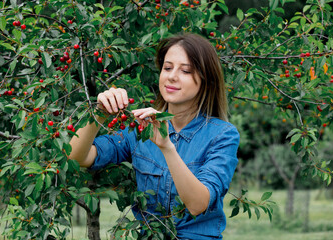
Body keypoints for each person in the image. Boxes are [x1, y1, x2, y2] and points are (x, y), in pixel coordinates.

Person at [69, 33, 240, 239]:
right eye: (167, 68)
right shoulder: (141, 127)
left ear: (206, 80)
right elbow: (78, 158)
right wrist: (100, 113)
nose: (172, 76)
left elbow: (198, 204)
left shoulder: (222, 135)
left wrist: (167, 147)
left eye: (185, 70)